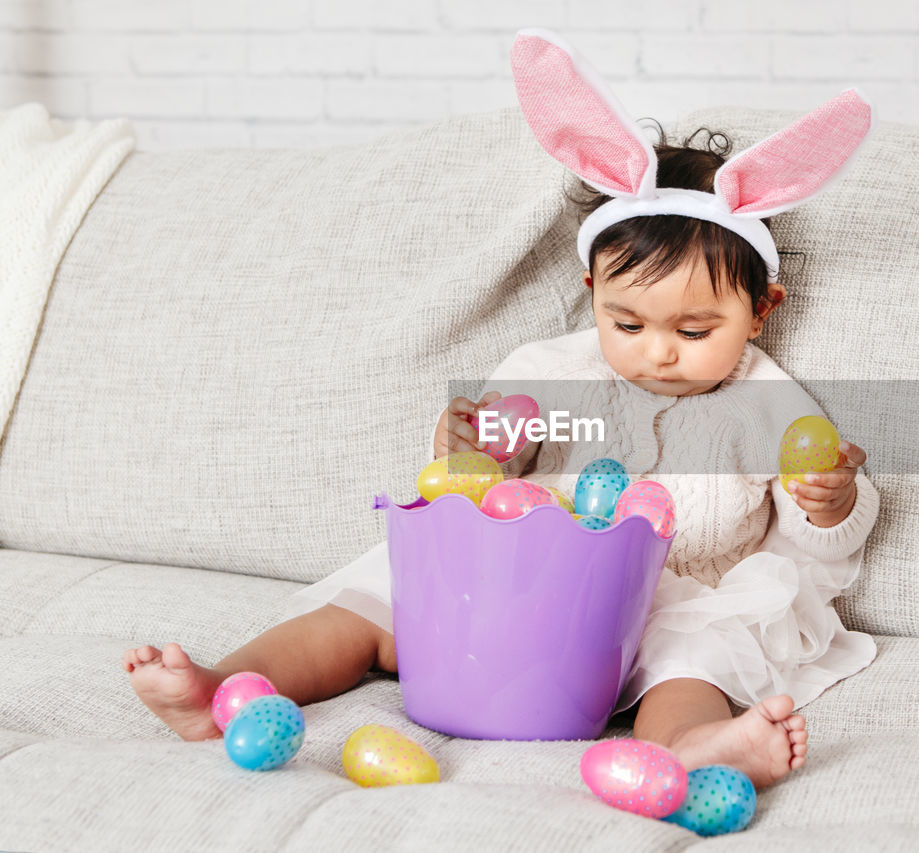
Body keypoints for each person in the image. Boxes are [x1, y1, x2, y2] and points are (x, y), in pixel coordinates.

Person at [123, 29, 879, 790]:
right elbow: (483, 475)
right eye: (627, 322)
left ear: (760, 310)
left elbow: (811, 556)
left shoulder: (767, 404)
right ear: (591, 294)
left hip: (657, 613)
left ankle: (689, 744)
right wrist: (473, 447)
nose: (658, 351)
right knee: (371, 600)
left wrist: (828, 502)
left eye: (694, 330)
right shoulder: (553, 372)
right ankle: (222, 689)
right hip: (518, 587)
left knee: (694, 655)